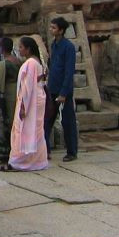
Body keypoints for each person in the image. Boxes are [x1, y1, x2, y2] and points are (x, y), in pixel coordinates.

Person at [1, 36, 48, 171]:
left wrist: (23, 106)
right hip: (37, 97)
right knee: (35, 130)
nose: (19, 50)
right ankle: (36, 160)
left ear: (28, 49)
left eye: (21, 47)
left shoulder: (31, 63)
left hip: (30, 99)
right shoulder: (36, 62)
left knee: (23, 129)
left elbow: (28, 87)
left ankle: (18, 161)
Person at [44, 17, 79, 162]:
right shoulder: (54, 45)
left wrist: (64, 92)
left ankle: (72, 151)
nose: (51, 30)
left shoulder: (68, 47)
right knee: (47, 120)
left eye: (54, 27)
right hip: (52, 88)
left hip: (63, 90)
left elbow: (69, 71)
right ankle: (45, 150)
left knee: (67, 122)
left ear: (61, 30)